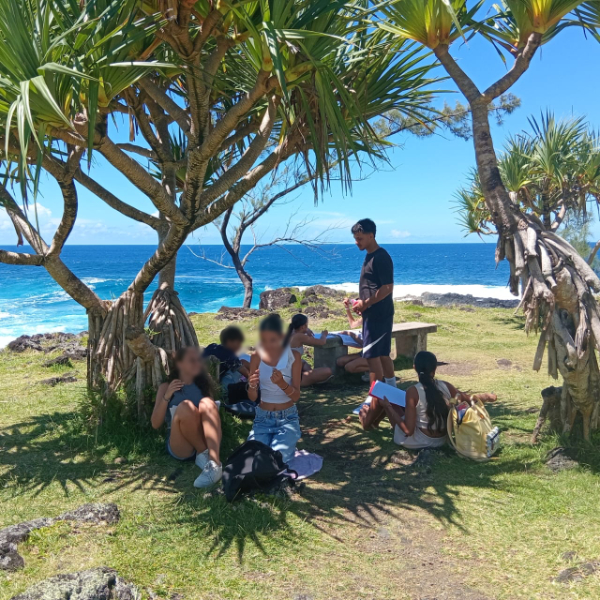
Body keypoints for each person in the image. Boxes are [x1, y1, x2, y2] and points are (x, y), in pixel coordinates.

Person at [360, 350, 496, 449]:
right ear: (435, 369)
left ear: (414, 368)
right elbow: (469, 398)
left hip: (418, 441)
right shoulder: (446, 386)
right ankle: (372, 423)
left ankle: (366, 423)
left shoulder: (413, 391)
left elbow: (408, 431)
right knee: (391, 399)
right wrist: (487, 397)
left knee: (381, 397)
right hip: (442, 440)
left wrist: (388, 407)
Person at [151, 347, 223, 488]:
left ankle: (214, 463)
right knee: (185, 406)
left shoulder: (204, 385)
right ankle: (202, 452)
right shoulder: (166, 387)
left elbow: (212, 416)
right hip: (181, 443)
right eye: (191, 361)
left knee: (207, 402)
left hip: (204, 436)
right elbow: (155, 423)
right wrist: (167, 395)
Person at [246, 313, 302, 463]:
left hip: (287, 418)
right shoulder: (256, 356)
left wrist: (282, 384)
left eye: (273, 340)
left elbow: (296, 396)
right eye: (264, 340)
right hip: (263, 418)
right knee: (254, 459)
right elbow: (252, 397)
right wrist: (252, 385)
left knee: (277, 460)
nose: (268, 345)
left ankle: (286, 443)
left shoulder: (294, 357)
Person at [351, 218, 396, 388]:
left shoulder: (381, 257)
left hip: (379, 314)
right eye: (355, 238)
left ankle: (376, 396)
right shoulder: (369, 256)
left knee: (371, 355)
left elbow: (387, 287)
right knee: (382, 354)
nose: (357, 242)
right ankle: (391, 390)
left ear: (371, 236)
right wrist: (360, 302)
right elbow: (372, 286)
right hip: (372, 313)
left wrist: (366, 303)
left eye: (360, 238)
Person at [287, 314, 333, 386]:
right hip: (291, 379)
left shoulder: (291, 332)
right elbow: (322, 342)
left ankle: (310, 378)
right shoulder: (299, 336)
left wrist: (307, 330)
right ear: (303, 326)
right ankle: (308, 380)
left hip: (288, 370)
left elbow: (303, 330)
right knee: (328, 371)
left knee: (304, 363)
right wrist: (324, 334)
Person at [336, 298, 369, 377]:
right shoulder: (364, 317)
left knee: (349, 367)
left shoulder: (371, 318)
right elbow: (353, 324)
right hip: (364, 353)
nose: (358, 312)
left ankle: (377, 369)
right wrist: (347, 308)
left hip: (373, 354)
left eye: (358, 308)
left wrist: (352, 335)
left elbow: (364, 344)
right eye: (355, 310)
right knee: (340, 361)